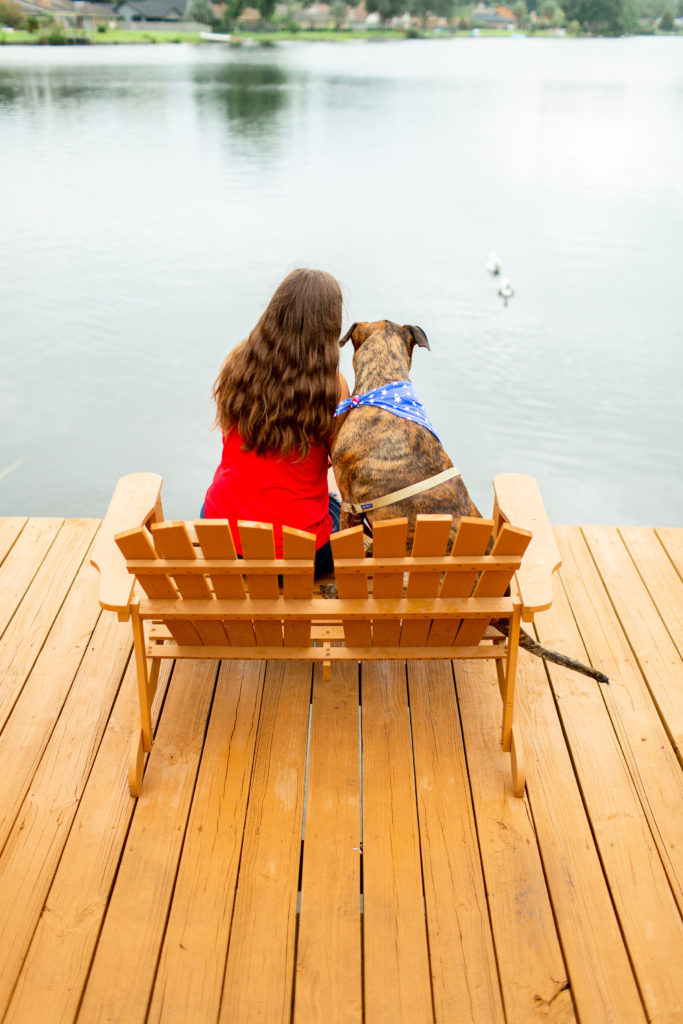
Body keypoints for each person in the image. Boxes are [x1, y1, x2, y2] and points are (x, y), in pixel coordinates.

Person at [202, 268, 350, 578]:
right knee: (336, 501)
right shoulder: (333, 387)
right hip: (300, 556)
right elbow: (338, 461)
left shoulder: (238, 364)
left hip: (225, 542)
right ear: (330, 327)